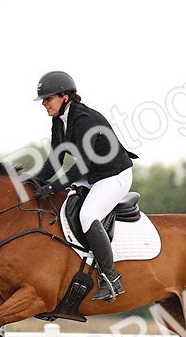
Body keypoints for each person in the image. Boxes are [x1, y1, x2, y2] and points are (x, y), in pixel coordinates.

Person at [29, 70, 137, 302]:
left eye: (48, 98)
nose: (44, 104)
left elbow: (81, 166)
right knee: (60, 202)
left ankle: (111, 279)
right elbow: (56, 159)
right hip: (93, 173)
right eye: (43, 100)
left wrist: (52, 187)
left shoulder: (84, 120)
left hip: (114, 175)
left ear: (65, 97)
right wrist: (31, 183)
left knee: (87, 215)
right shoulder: (59, 120)